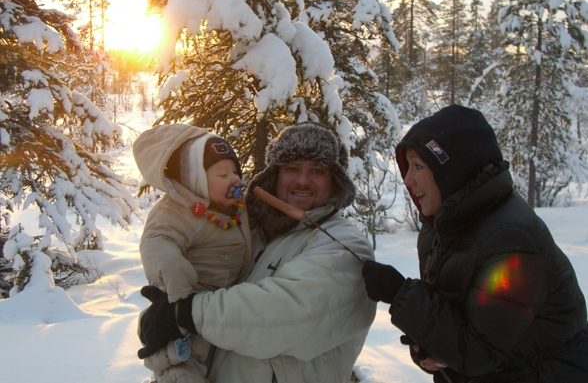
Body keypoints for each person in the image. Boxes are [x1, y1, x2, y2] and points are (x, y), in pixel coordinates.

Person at [362, 104, 588, 383]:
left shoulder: (512, 240)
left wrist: (400, 295)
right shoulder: (440, 227)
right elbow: (453, 323)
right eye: (407, 167)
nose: (408, 179)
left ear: (455, 172)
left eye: (419, 166)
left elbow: (477, 352)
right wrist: (428, 349)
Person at [137, 121, 376, 383]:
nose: (302, 180)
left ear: (335, 181)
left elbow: (290, 314)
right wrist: (159, 317)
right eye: (292, 168)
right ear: (275, 175)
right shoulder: (248, 231)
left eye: (317, 170)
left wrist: (186, 313)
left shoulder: (345, 245)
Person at [133, 123, 252, 383]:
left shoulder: (237, 209)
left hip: (220, 313)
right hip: (186, 318)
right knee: (182, 372)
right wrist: (180, 295)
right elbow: (157, 244)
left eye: (235, 170)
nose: (234, 179)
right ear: (195, 180)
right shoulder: (174, 212)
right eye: (222, 174)